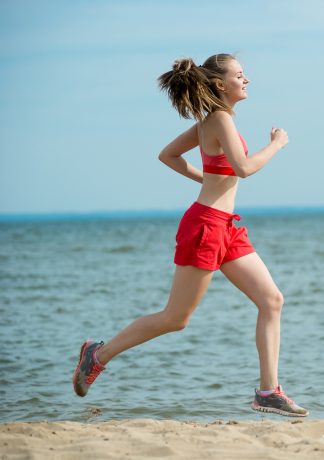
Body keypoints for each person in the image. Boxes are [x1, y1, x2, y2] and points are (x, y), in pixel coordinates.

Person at [72, 53, 309, 417]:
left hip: (227, 227)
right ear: (220, 84)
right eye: (240, 75)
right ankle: (97, 354)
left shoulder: (211, 121)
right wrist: (276, 144)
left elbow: (169, 155)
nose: (247, 80)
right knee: (175, 318)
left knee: (272, 300)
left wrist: (210, 180)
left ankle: (268, 392)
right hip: (206, 226)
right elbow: (244, 168)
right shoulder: (219, 119)